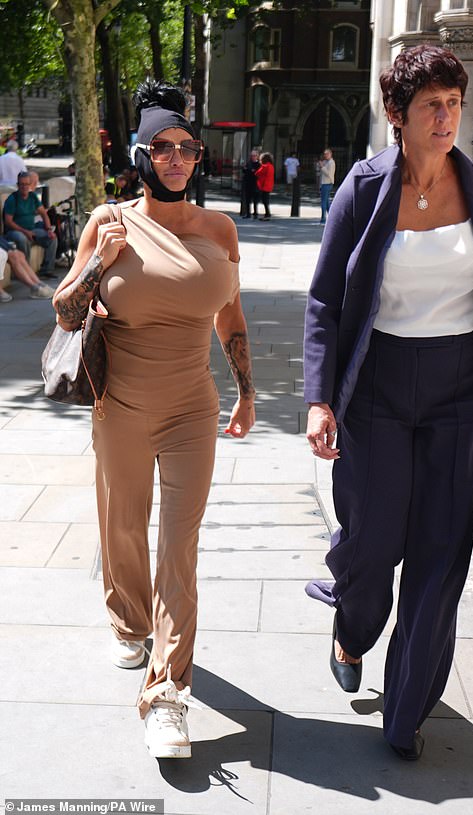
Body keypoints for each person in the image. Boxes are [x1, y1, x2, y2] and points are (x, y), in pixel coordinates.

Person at [303, 44, 473, 761]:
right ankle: (353, 626)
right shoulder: (362, 188)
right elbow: (324, 299)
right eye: (431, 107)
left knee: (441, 554)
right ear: (397, 116)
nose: (447, 119)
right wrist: (320, 398)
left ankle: (408, 706)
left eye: (454, 104)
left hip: (463, 388)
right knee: (372, 543)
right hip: (377, 382)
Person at [52, 79, 256, 759]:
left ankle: (166, 692)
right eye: (162, 146)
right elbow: (63, 310)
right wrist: (97, 268)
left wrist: (247, 391)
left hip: (192, 407)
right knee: (123, 527)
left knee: (180, 545)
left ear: (198, 157)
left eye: (187, 148)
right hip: (121, 405)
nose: (175, 157)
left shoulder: (220, 229)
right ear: (141, 153)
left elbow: (229, 313)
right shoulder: (108, 222)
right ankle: (128, 621)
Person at [3, 171, 58, 279]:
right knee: (22, 239)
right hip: (14, 232)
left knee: (52, 238)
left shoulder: (32, 197)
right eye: (22, 184)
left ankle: (47, 270)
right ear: (18, 185)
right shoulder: (12, 199)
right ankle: (25, 272)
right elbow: (8, 221)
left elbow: (43, 214)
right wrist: (25, 232)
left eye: (26, 184)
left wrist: (49, 229)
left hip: (31, 229)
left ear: (30, 185)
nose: (24, 187)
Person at [317, 148, 335, 224]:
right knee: (326, 201)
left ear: (330, 154)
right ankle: (332, 217)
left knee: (323, 202)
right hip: (324, 183)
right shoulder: (326, 162)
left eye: (327, 154)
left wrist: (322, 167)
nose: (325, 155)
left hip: (327, 183)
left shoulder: (331, 163)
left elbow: (328, 174)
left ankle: (323, 219)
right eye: (325, 154)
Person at [241, 149, 261, 218]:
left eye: (254, 155)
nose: (253, 157)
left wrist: (249, 170)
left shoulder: (259, 164)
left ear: (257, 156)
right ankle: (248, 213)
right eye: (252, 155)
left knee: (255, 200)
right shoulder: (248, 163)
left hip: (255, 184)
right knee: (247, 199)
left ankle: (255, 213)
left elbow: (256, 173)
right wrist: (249, 170)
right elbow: (245, 170)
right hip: (248, 183)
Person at [255, 152, 274, 220]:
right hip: (269, 185)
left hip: (264, 185)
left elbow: (257, 173)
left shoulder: (265, 166)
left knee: (264, 200)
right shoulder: (271, 166)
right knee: (266, 200)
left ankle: (267, 214)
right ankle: (267, 214)